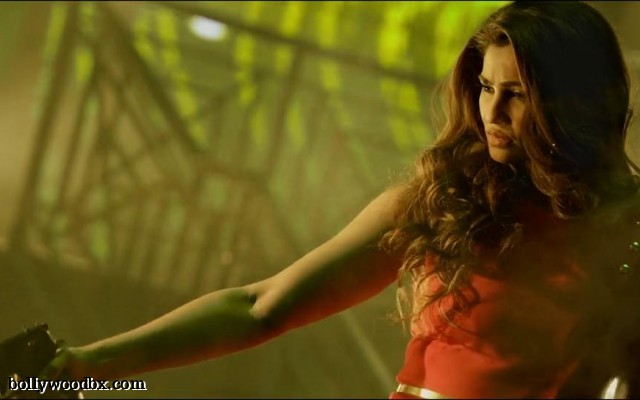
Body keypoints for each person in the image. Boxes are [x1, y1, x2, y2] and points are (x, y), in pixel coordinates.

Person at [40, 1, 640, 398]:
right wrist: (83, 365)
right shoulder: (443, 201)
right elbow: (260, 307)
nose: (492, 112)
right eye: (485, 87)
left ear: (574, 102)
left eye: (518, 93)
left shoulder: (627, 232)